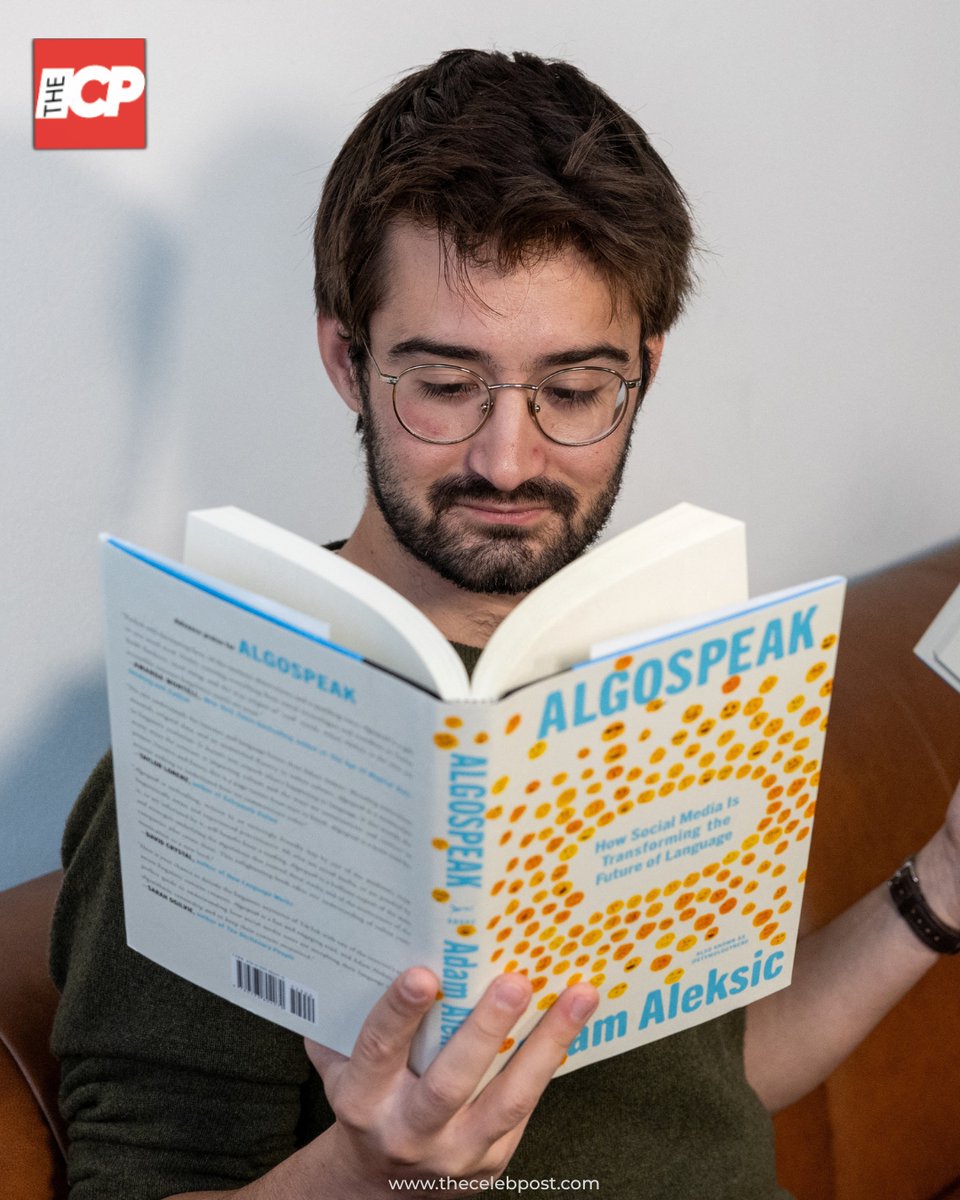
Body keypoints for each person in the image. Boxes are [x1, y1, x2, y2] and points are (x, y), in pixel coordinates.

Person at [51, 48, 960, 1199]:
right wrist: (362, 1170)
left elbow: (708, 1093)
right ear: (349, 358)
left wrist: (941, 881)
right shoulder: (214, 736)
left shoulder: (667, 668)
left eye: (574, 392)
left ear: (644, 372)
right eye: (444, 383)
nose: (508, 458)